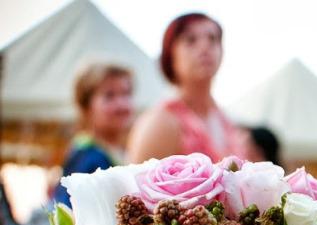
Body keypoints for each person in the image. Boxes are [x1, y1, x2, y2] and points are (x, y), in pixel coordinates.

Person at [128, 13, 243, 163]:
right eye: (190, 40)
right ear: (171, 55)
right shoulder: (161, 122)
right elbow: (139, 177)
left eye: (213, 39)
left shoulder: (226, 121)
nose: (205, 47)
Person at [52, 63, 133, 207]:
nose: (121, 104)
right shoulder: (87, 155)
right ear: (87, 106)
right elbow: (69, 208)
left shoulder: (119, 151)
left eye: (126, 94)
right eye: (109, 96)